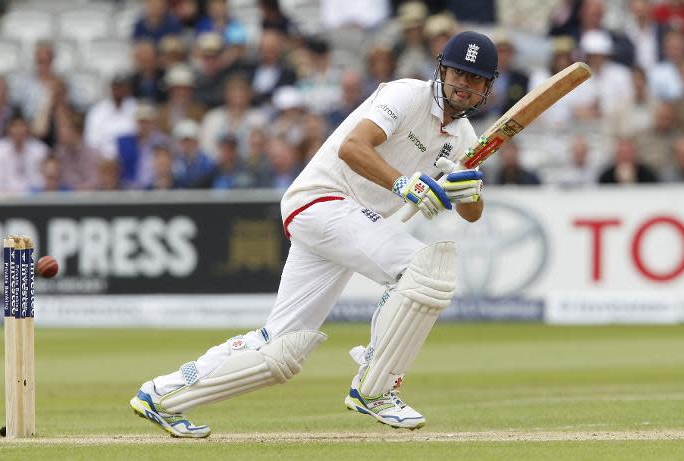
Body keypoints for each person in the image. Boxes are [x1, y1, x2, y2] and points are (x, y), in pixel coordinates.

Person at [130, 31, 493, 437]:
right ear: (442, 70)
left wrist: (469, 188)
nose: (464, 84)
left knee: (281, 353)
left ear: (486, 87)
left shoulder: (462, 138)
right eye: (459, 73)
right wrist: (404, 185)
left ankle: (162, 395)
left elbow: (472, 214)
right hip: (323, 200)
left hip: (345, 218)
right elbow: (352, 147)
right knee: (426, 268)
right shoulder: (406, 95)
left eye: (475, 79)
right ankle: (375, 389)